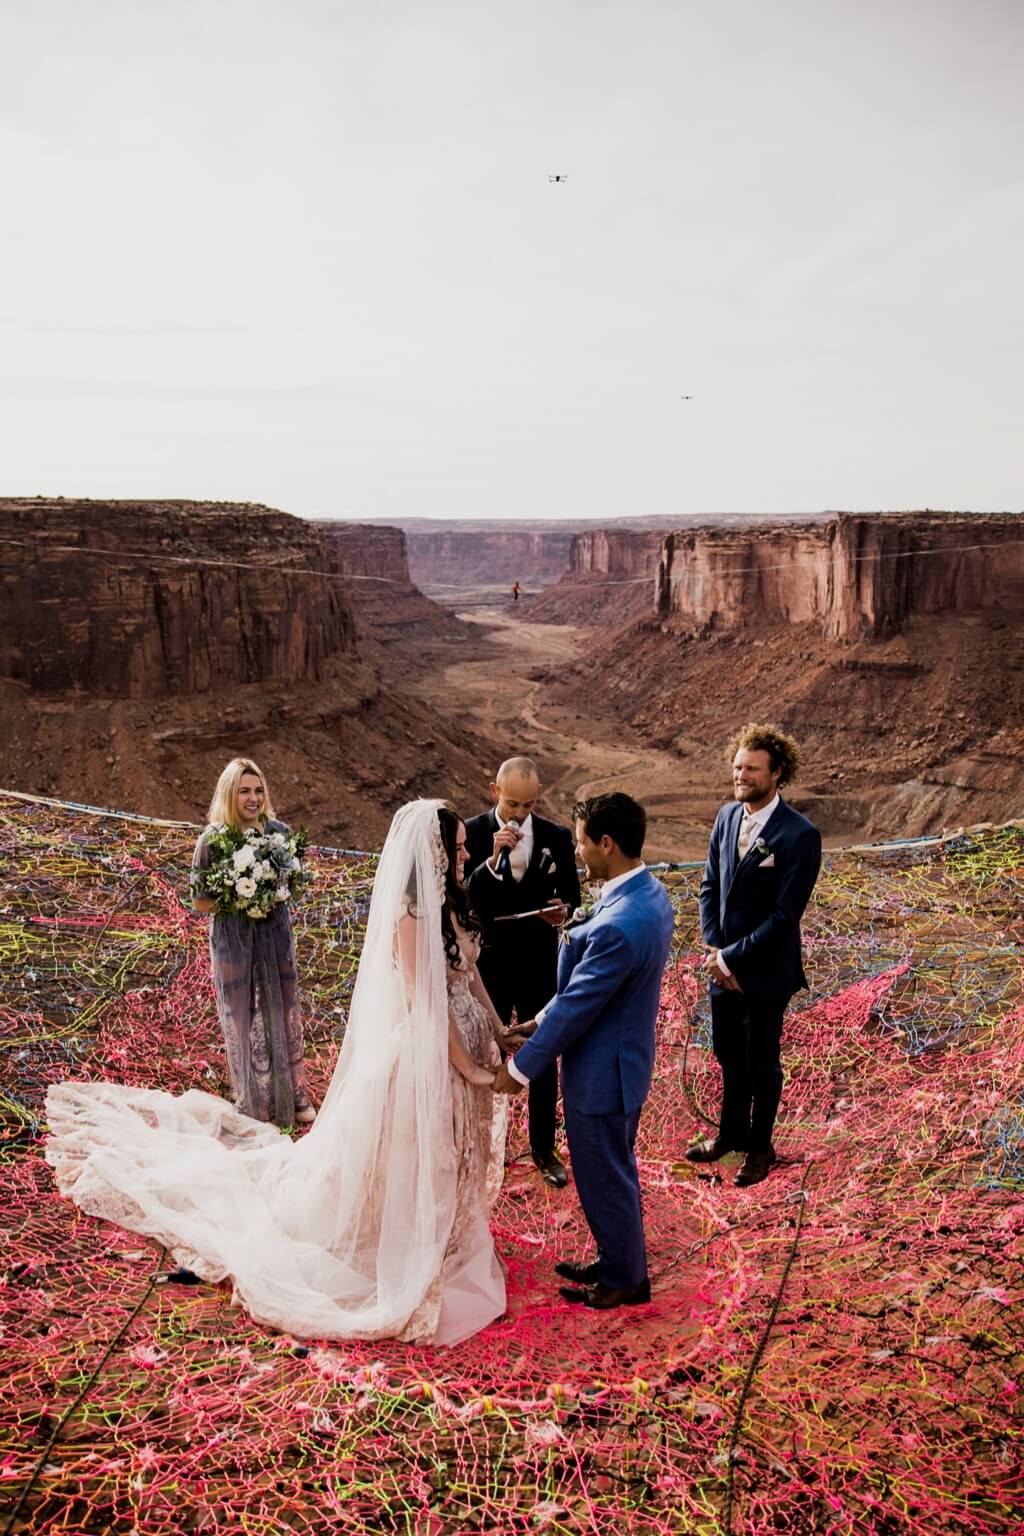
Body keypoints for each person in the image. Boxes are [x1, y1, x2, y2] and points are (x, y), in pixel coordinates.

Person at [45, 800, 507, 1345]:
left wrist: (499, 1035)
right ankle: (404, 1243)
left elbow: (469, 979)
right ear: (428, 853)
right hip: (425, 1059)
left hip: (461, 1051)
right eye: (454, 848)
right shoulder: (411, 919)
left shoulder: (452, 904)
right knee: (416, 1154)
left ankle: (447, 1235)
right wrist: (472, 1071)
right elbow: (428, 1006)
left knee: (451, 1149)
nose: (465, 854)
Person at [492, 792, 674, 1310]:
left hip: (603, 1075)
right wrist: (537, 1020)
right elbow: (587, 991)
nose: (577, 852)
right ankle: (618, 1258)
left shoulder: (620, 923)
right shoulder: (646, 893)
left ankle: (626, 1280)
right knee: (611, 1171)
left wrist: (520, 1069)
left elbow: (579, 1006)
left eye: (581, 842)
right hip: (623, 1063)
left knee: (606, 1177)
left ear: (607, 843)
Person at [688, 723, 822, 1188]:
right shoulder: (726, 817)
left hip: (764, 973)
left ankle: (760, 1147)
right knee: (728, 1054)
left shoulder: (799, 835)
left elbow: (785, 915)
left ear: (778, 773)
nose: (741, 775)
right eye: (738, 767)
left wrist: (732, 960)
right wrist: (714, 951)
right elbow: (709, 886)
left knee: (762, 1062)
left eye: (752, 769)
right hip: (721, 967)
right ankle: (730, 1135)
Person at [464, 757, 580, 1187]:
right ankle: (479, 1145)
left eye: (528, 805)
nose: (519, 813)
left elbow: (571, 893)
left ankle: (543, 1148)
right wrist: (492, 860)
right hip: (487, 965)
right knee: (483, 1051)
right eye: (512, 803)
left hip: (538, 963)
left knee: (543, 1054)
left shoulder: (556, 836)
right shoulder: (472, 833)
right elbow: (462, 894)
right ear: (495, 792)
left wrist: (560, 911)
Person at [190, 757, 314, 1128]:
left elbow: (293, 884)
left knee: (282, 1009)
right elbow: (199, 900)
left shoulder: (278, 833)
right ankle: (252, 1100)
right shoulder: (212, 839)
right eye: (244, 791)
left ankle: (293, 1095)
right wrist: (238, 895)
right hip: (234, 939)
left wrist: (274, 889)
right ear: (230, 794)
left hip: (274, 936)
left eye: (258, 790)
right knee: (241, 1014)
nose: (253, 798)